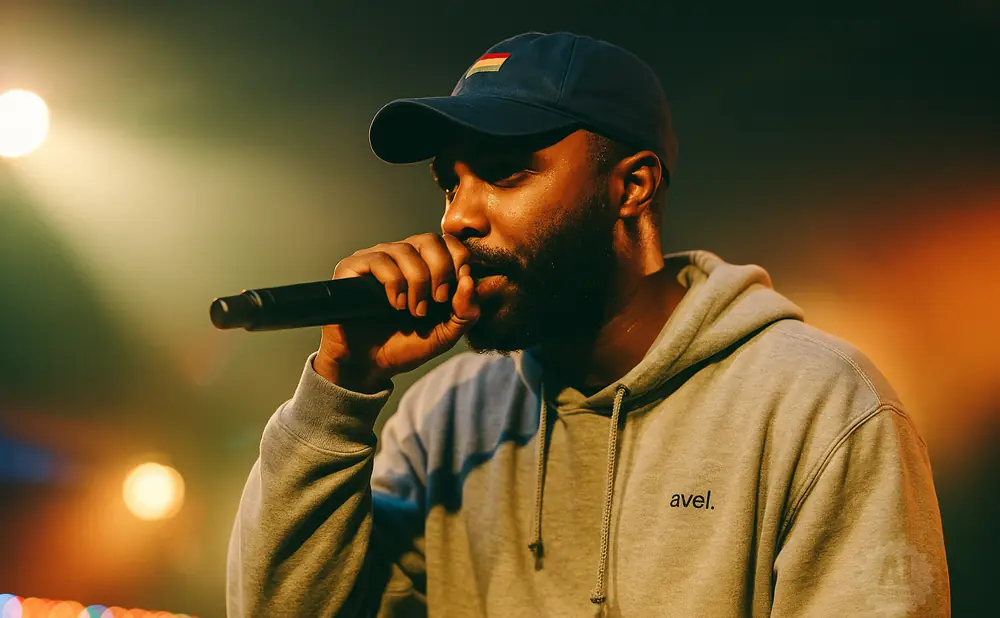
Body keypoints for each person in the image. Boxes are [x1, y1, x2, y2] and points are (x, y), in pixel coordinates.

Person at [227, 32, 950, 617]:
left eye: (506, 172)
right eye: (452, 182)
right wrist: (341, 388)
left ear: (631, 185)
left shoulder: (814, 403)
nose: (457, 216)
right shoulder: (445, 419)